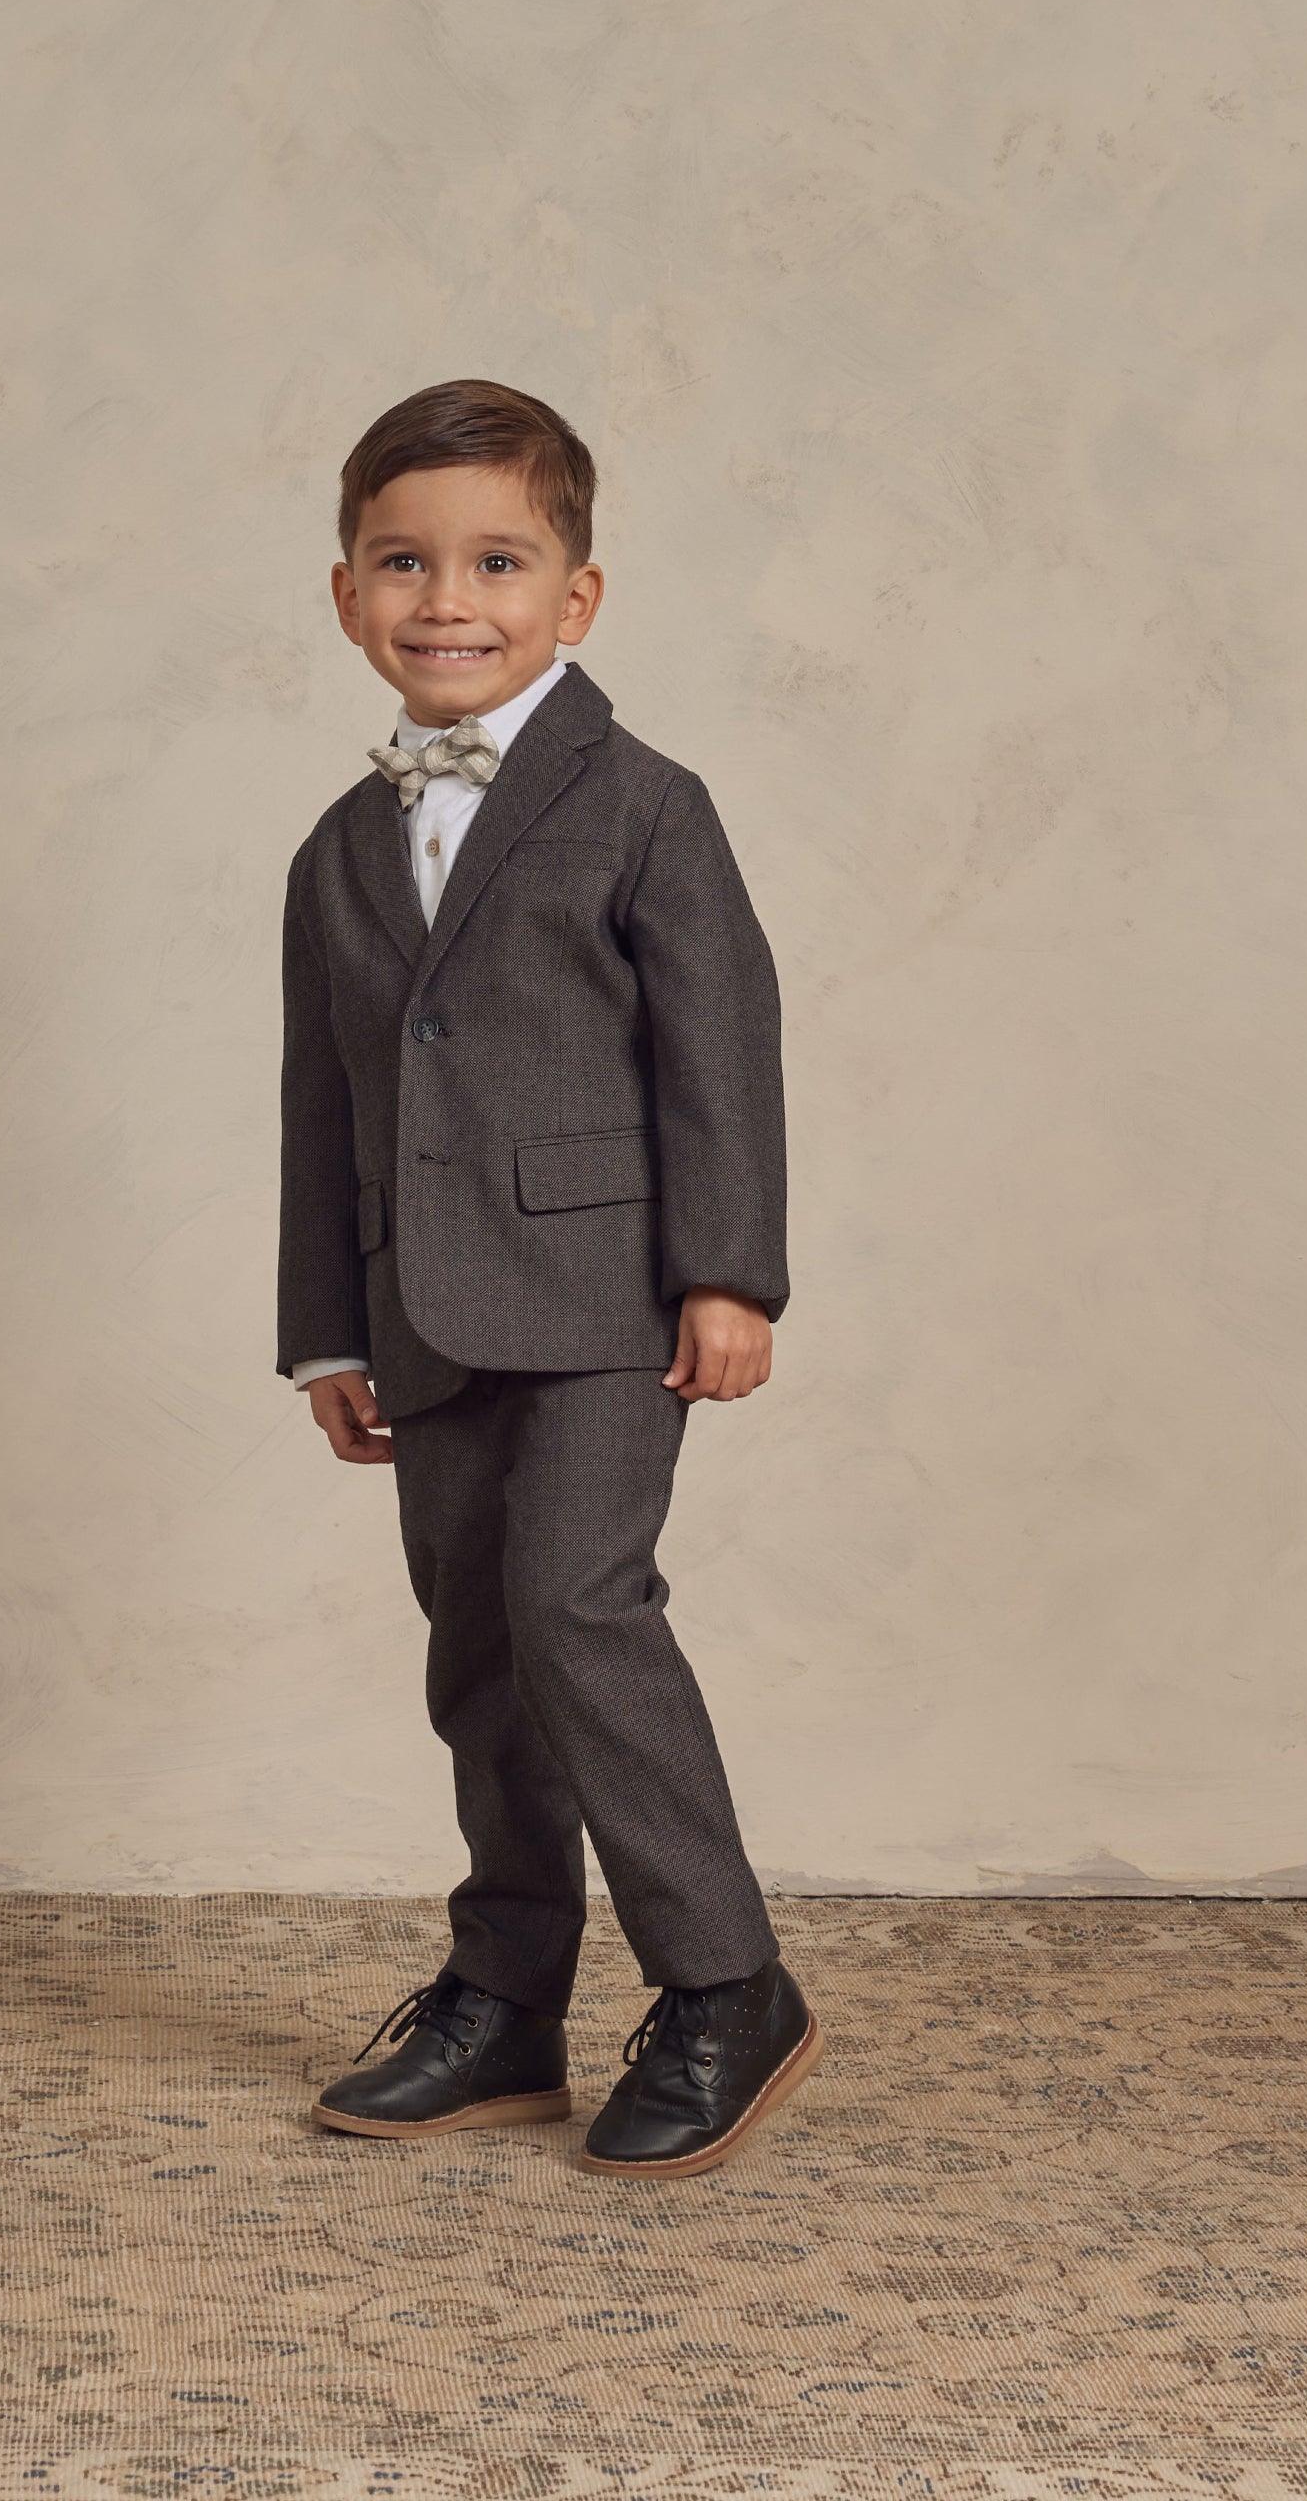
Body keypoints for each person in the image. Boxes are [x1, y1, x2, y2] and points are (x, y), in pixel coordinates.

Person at [275, 378, 821, 2178]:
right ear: (346, 594)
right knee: (480, 1650)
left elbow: (721, 1046)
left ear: (576, 597)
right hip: (422, 1310)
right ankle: (507, 2000)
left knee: (578, 1606)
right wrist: (325, 1329)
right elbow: (324, 1100)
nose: (448, 600)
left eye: (497, 563)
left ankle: (729, 1985)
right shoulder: (339, 849)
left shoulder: (646, 804)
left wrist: (729, 1274)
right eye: (403, 563)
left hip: (608, 1302)